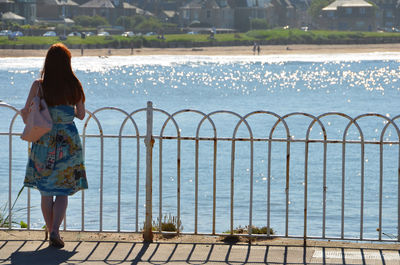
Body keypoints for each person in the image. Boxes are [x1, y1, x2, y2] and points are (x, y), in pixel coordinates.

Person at [21, 43, 88, 249]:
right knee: (62, 191)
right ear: (67, 63)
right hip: (68, 142)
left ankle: (51, 231)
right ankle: (55, 231)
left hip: (44, 141)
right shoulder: (74, 85)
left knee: (46, 191)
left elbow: (25, 114)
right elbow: (81, 114)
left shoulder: (39, 85)